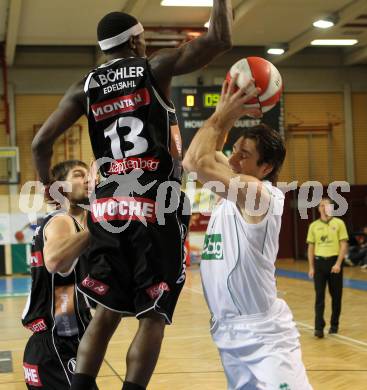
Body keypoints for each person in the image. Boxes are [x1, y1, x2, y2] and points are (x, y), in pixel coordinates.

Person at [31, 2, 233, 389]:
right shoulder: (153, 68)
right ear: (137, 40)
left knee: (106, 313)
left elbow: (41, 143)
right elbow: (219, 39)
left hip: (107, 209)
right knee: (153, 314)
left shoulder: (83, 87)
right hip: (154, 205)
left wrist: (50, 189)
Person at [183, 76, 312, 389]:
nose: (233, 158)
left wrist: (223, 113)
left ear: (265, 168)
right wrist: (227, 118)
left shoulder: (259, 195)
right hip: (228, 333)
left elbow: (195, 163)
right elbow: (199, 157)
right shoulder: (228, 194)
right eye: (234, 149)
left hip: (264, 336)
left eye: (244, 155)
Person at [22, 160, 97, 389]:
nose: (86, 179)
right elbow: (54, 260)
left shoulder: (75, 226)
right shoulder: (62, 219)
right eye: (77, 174)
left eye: (88, 175)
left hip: (50, 346)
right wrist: (102, 222)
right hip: (58, 345)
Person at [307, 197, 349, 338]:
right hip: (319, 264)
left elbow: (343, 245)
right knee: (319, 297)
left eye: (325, 205)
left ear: (331, 207)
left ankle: (334, 325)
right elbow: (311, 247)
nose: (323, 207)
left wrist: (338, 263)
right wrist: (311, 267)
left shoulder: (339, 223)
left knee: (336, 296)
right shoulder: (313, 226)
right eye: (320, 206)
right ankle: (319, 328)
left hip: (334, 264)